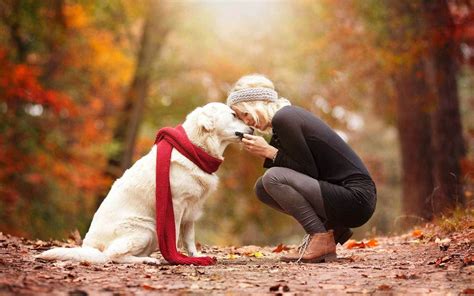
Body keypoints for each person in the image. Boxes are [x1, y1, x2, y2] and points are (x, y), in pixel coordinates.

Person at [226, 74, 377, 263]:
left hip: (356, 198)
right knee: (262, 188)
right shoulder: (284, 121)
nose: (246, 122)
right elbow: (306, 172)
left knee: (272, 177)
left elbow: (308, 172)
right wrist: (269, 152)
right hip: (343, 196)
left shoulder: (285, 118)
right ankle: (331, 230)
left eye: (245, 114)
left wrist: (269, 151)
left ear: (256, 104)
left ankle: (320, 236)